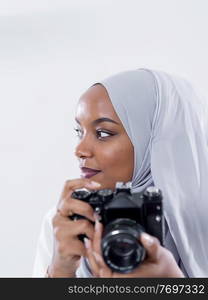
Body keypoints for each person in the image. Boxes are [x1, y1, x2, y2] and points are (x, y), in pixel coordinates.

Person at [33, 68, 208, 278]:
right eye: (79, 132)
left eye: (103, 133)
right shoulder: (66, 223)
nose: (79, 150)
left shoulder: (202, 222)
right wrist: (60, 271)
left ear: (158, 142)